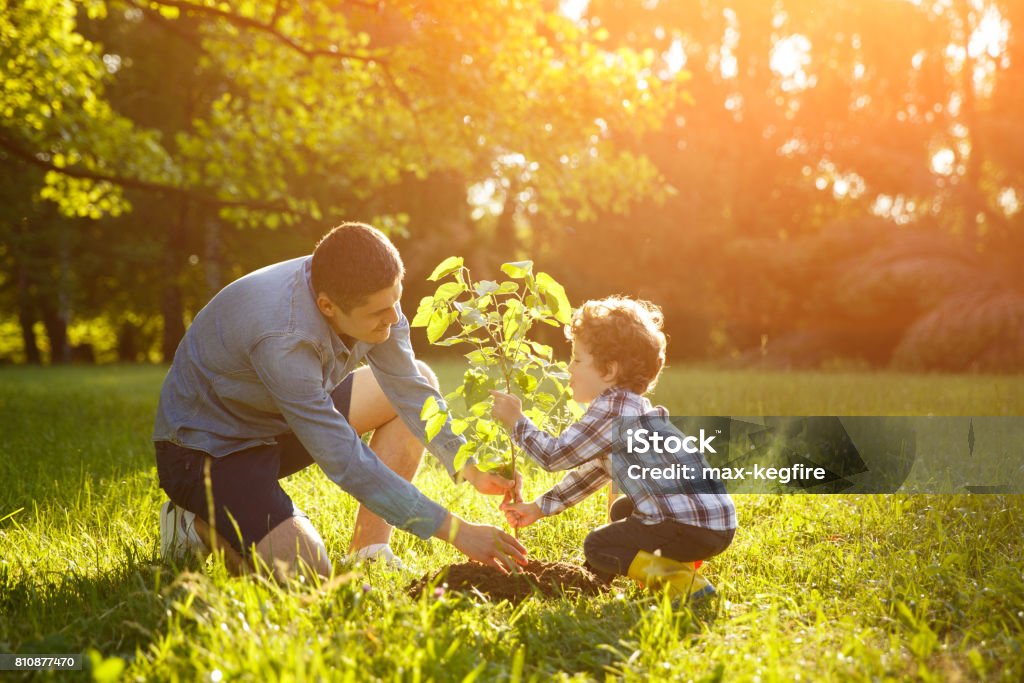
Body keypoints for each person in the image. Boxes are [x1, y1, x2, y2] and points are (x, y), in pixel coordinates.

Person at [154, 222, 527, 579]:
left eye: (396, 300)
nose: (395, 317)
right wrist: (457, 531)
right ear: (328, 306)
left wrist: (470, 466)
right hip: (208, 450)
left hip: (279, 416)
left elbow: (410, 390)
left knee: (422, 377)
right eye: (379, 312)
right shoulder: (283, 337)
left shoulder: (368, 294)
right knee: (306, 574)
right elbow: (346, 460)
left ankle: (369, 552)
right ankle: (194, 522)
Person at [491, 296, 736, 600]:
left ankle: (684, 585)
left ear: (608, 370)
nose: (569, 368)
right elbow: (591, 474)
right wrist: (539, 508)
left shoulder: (611, 410)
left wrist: (517, 422)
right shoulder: (633, 409)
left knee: (598, 545)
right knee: (623, 510)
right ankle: (594, 582)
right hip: (715, 524)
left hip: (688, 527)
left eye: (577, 360)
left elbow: (553, 456)